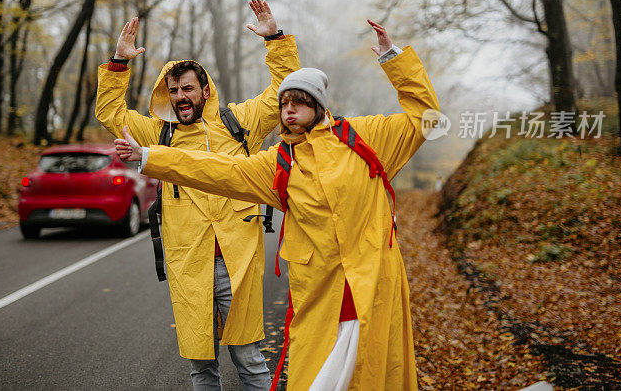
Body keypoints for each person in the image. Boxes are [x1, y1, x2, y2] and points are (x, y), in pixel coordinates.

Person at [114, 20, 440, 390]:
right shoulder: (277, 164)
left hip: (373, 288)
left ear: (318, 106)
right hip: (317, 298)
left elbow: (425, 116)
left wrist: (393, 60)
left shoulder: (364, 138)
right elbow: (218, 170)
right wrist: (149, 158)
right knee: (298, 377)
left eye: (299, 102)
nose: (288, 109)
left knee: (374, 374)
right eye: (284, 103)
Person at [95, 0, 300, 390]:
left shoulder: (237, 123)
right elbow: (111, 115)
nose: (179, 97)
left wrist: (274, 38)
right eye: (173, 91)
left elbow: (283, 90)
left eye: (187, 88)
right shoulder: (159, 135)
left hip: (237, 265)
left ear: (205, 91)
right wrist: (118, 64)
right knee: (201, 367)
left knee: (250, 361)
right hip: (189, 266)